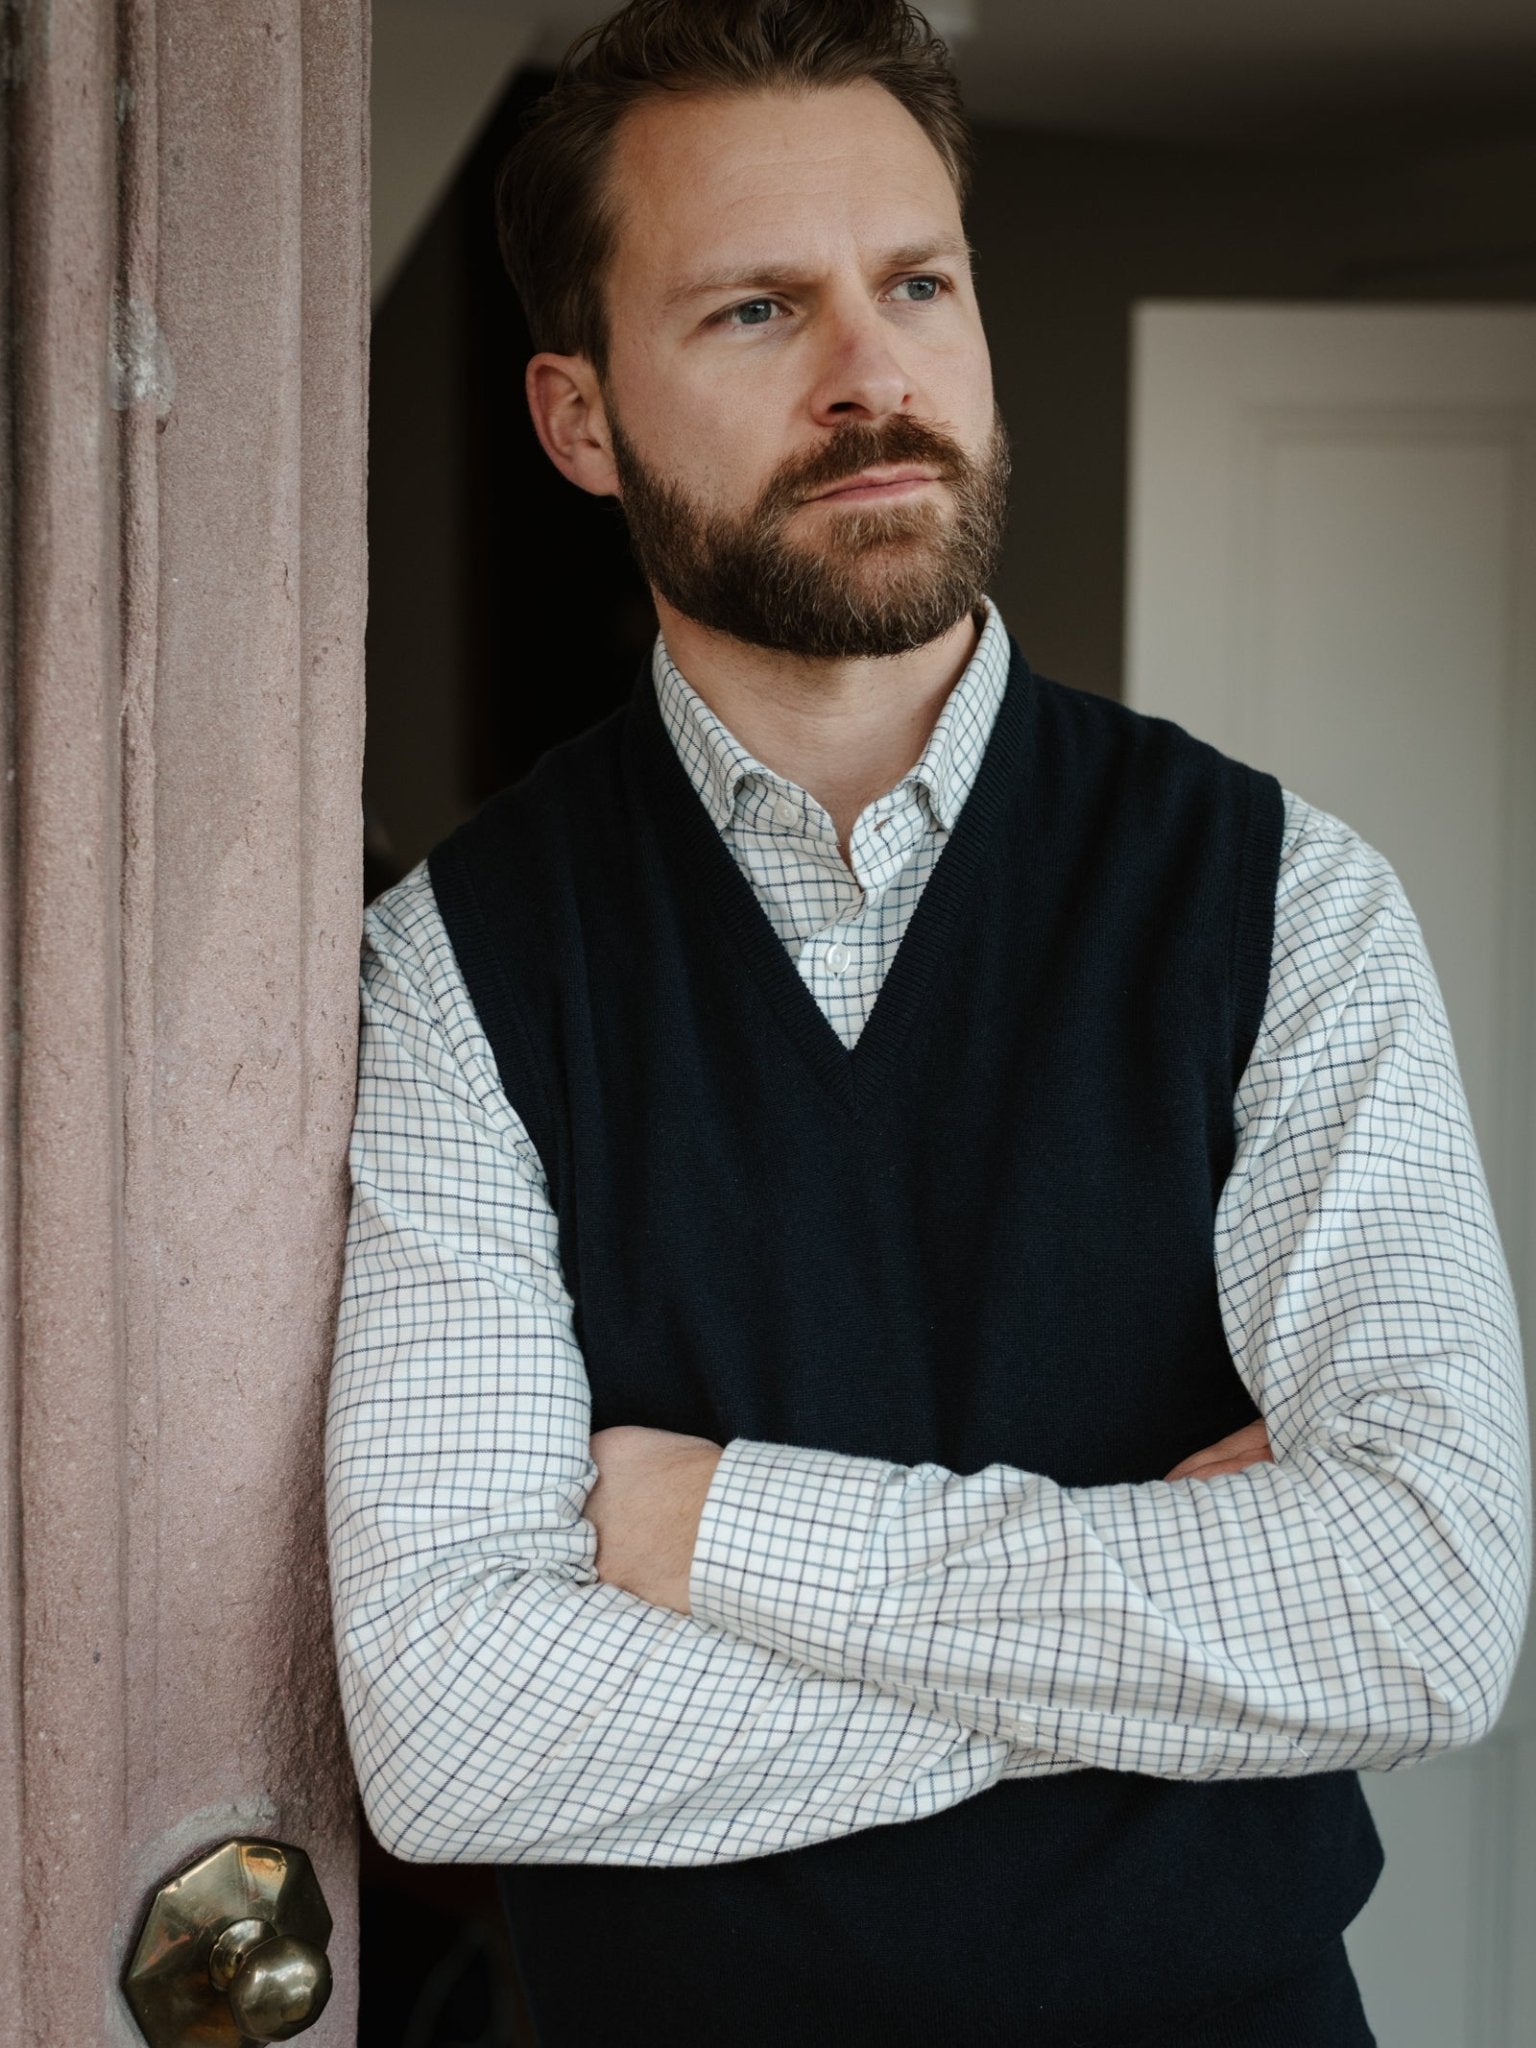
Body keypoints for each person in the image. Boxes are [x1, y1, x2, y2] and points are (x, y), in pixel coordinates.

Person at [325, 4, 1531, 2043]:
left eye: (917, 284)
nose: (873, 376)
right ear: (579, 416)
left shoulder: (1280, 901)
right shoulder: (458, 966)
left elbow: (1421, 1610)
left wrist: (716, 1527)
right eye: (754, 312)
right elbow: (456, 1727)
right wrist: (1162, 1651)